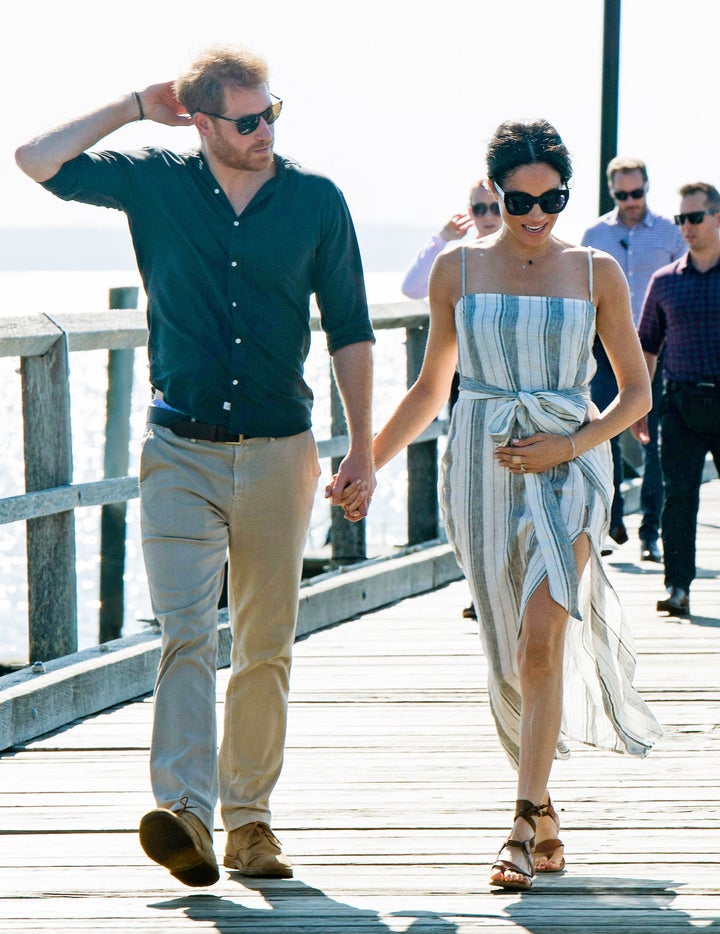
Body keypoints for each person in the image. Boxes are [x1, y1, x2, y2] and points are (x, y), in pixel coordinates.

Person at [15, 45, 375, 887]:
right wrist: (134, 104)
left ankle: (250, 824)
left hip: (282, 450)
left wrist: (361, 446)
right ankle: (185, 811)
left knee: (264, 645)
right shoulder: (157, 181)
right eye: (246, 120)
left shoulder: (317, 201)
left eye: (270, 113)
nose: (264, 132)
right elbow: (36, 160)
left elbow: (352, 328)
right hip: (178, 449)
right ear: (203, 122)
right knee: (183, 634)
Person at [340, 119, 662, 890]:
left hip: (570, 466)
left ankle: (518, 823)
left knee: (544, 637)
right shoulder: (457, 271)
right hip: (480, 469)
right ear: (496, 191)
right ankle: (546, 810)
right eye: (521, 200)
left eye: (553, 197)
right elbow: (428, 389)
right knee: (510, 654)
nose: (536, 214)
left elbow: (635, 393)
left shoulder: (596, 274)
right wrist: (366, 461)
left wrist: (571, 447)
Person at [401, 181, 502, 621]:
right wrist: (442, 238)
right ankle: (481, 589)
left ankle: (504, 588)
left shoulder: (524, 257)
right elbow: (410, 288)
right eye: (478, 207)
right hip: (468, 386)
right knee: (468, 492)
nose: (486, 215)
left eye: (495, 206)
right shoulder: (459, 261)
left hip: (513, 387)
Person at [582, 157, 686, 560]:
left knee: (654, 441)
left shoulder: (670, 232)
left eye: (636, 192)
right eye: (622, 194)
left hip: (659, 350)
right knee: (604, 431)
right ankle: (613, 522)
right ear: (612, 193)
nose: (630, 201)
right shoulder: (594, 234)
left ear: (647, 186)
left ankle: (651, 531)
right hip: (605, 350)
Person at [634, 182, 720, 617]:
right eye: (680, 219)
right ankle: (678, 587)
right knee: (678, 497)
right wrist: (641, 406)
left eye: (695, 218)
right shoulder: (664, 282)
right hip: (681, 405)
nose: (686, 227)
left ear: (717, 218)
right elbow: (647, 346)